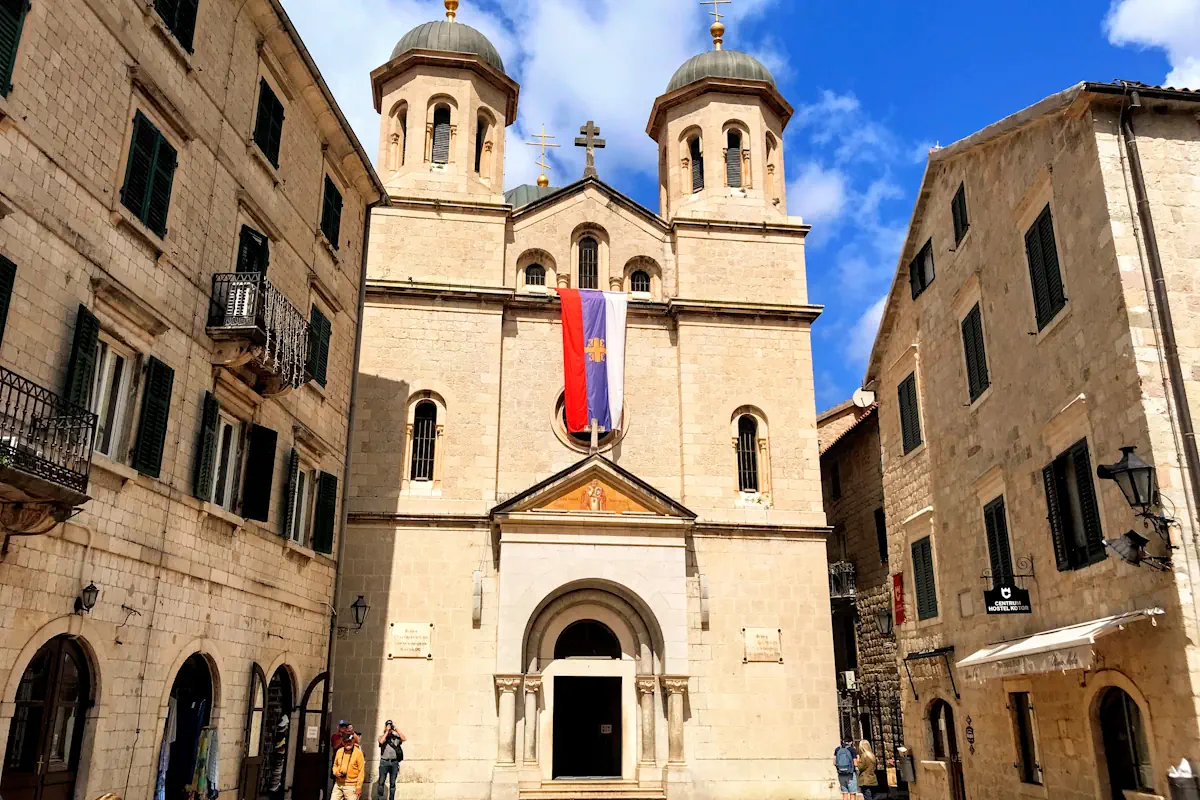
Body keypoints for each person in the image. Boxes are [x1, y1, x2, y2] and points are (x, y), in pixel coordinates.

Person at [376, 720, 407, 800]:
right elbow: (381, 741)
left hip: (394, 763)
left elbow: (404, 739)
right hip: (384, 762)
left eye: (390, 725)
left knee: (392, 783)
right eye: (388, 725)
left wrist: (396, 730)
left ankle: (391, 798)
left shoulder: (395, 738)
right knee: (381, 782)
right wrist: (387, 731)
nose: (389, 727)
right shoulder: (381, 737)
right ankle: (380, 798)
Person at [332, 733, 365, 800]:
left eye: (349, 741)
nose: (348, 743)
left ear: (353, 741)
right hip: (338, 784)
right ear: (343, 742)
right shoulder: (339, 751)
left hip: (351, 786)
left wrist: (358, 787)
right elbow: (335, 765)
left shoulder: (358, 753)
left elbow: (361, 771)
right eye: (346, 741)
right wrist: (335, 772)